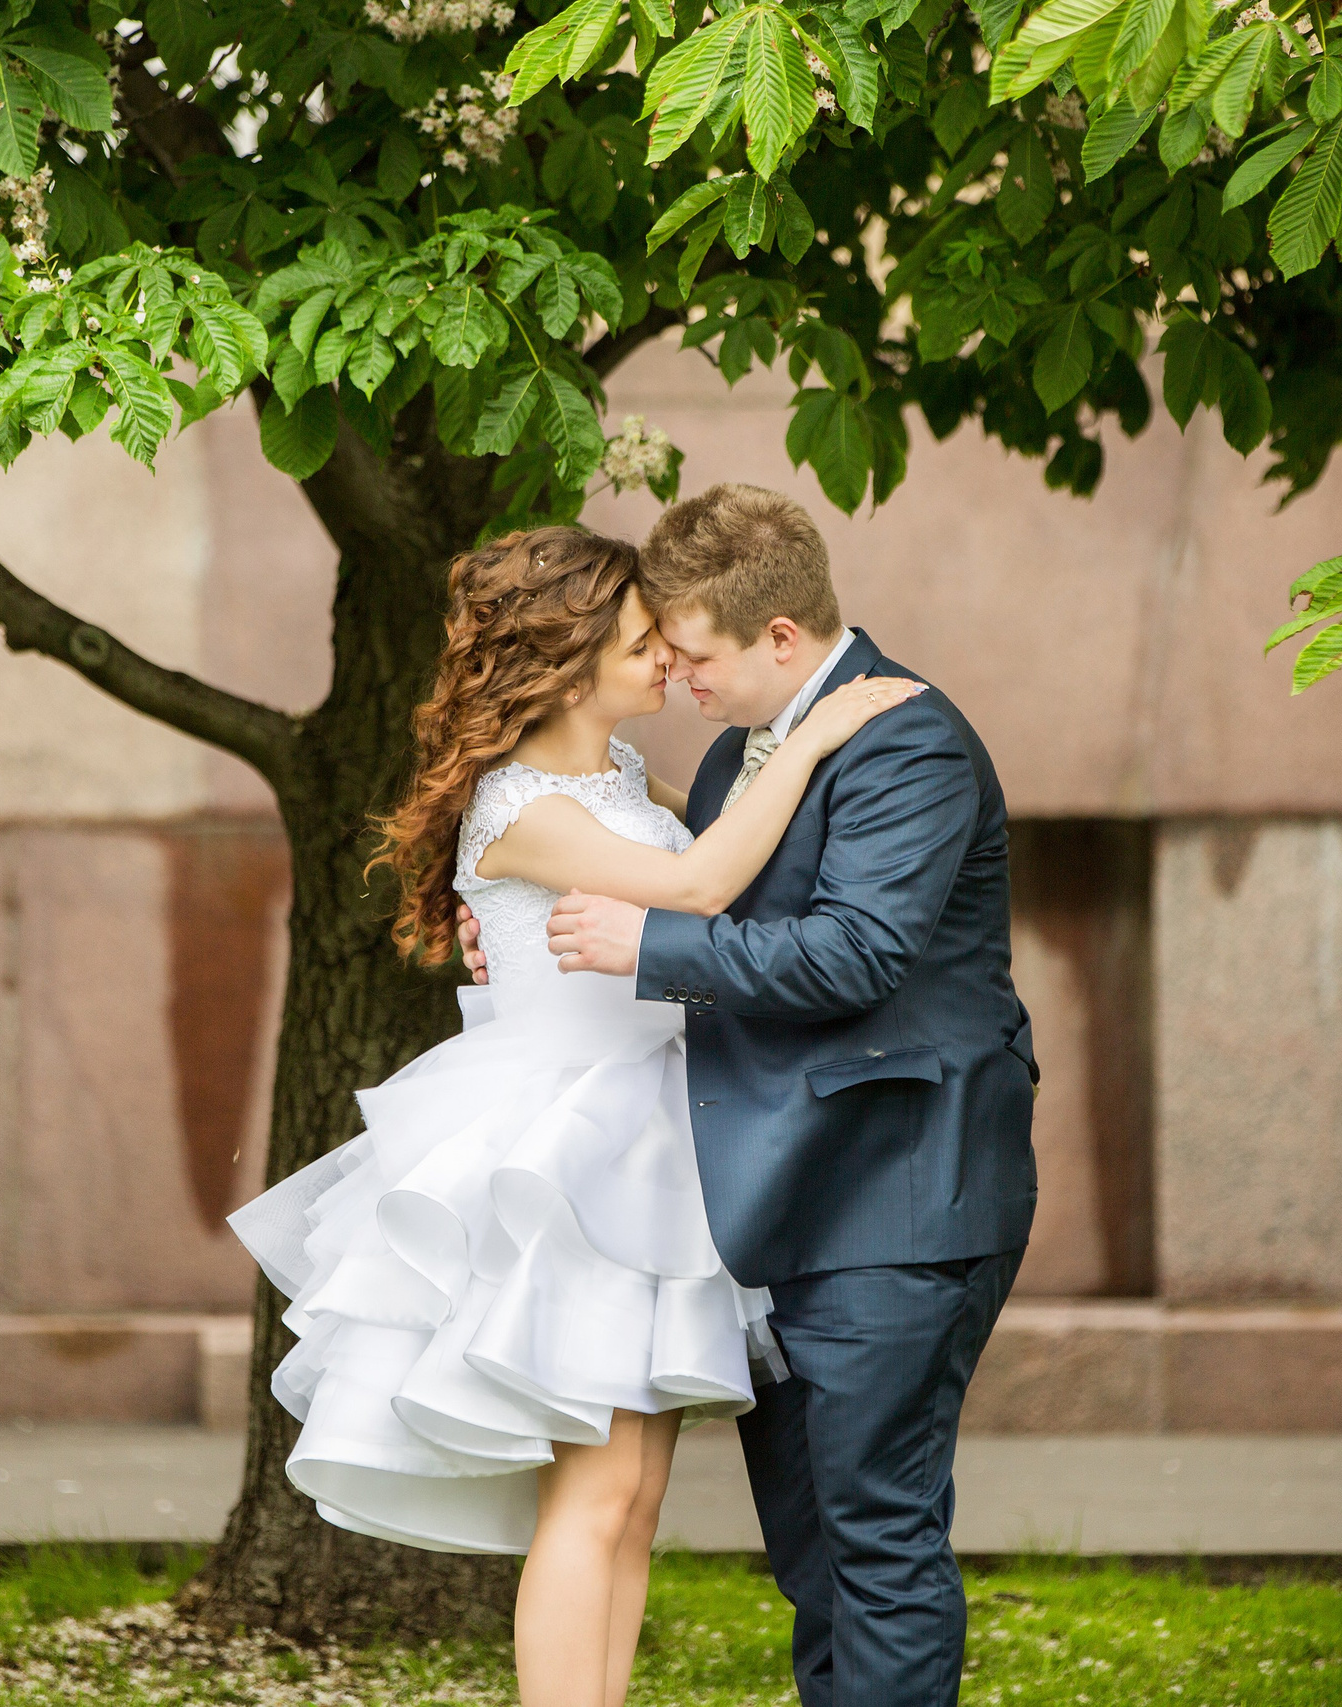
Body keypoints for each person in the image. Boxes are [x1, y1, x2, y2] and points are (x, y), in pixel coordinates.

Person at [225, 522, 922, 1707]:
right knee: (593, 1499)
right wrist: (807, 743)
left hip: (654, 1150)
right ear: (565, 657)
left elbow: (716, 867)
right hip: (569, 1164)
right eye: (644, 643)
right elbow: (700, 886)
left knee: (631, 1505)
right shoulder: (520, 807)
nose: (668, 663)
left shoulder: (612, 783)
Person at [478, 484, 1040, 1707]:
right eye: (660, 656)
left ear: (778, 639)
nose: (678, 679)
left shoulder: (908, 742)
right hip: (773, 1203)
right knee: (819, 1551)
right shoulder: (742, 752)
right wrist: (513, 938)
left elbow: (857, 956)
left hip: (896, 1193)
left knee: (876, 1541)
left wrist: (643, 949)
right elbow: (676, 876)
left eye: (694, 655)